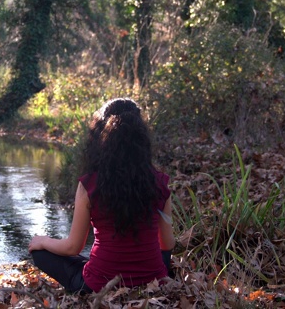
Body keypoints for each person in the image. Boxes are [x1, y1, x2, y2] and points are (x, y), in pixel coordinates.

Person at [28, 98, 175, 293]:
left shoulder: (89, 184)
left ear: (100, 138)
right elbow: (168, 244)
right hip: (152, 281)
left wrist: (43, 240)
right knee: (162, 256)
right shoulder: (159, 183)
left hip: (98, 285)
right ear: (141, 139)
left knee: (41, 254)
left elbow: (73, 247)